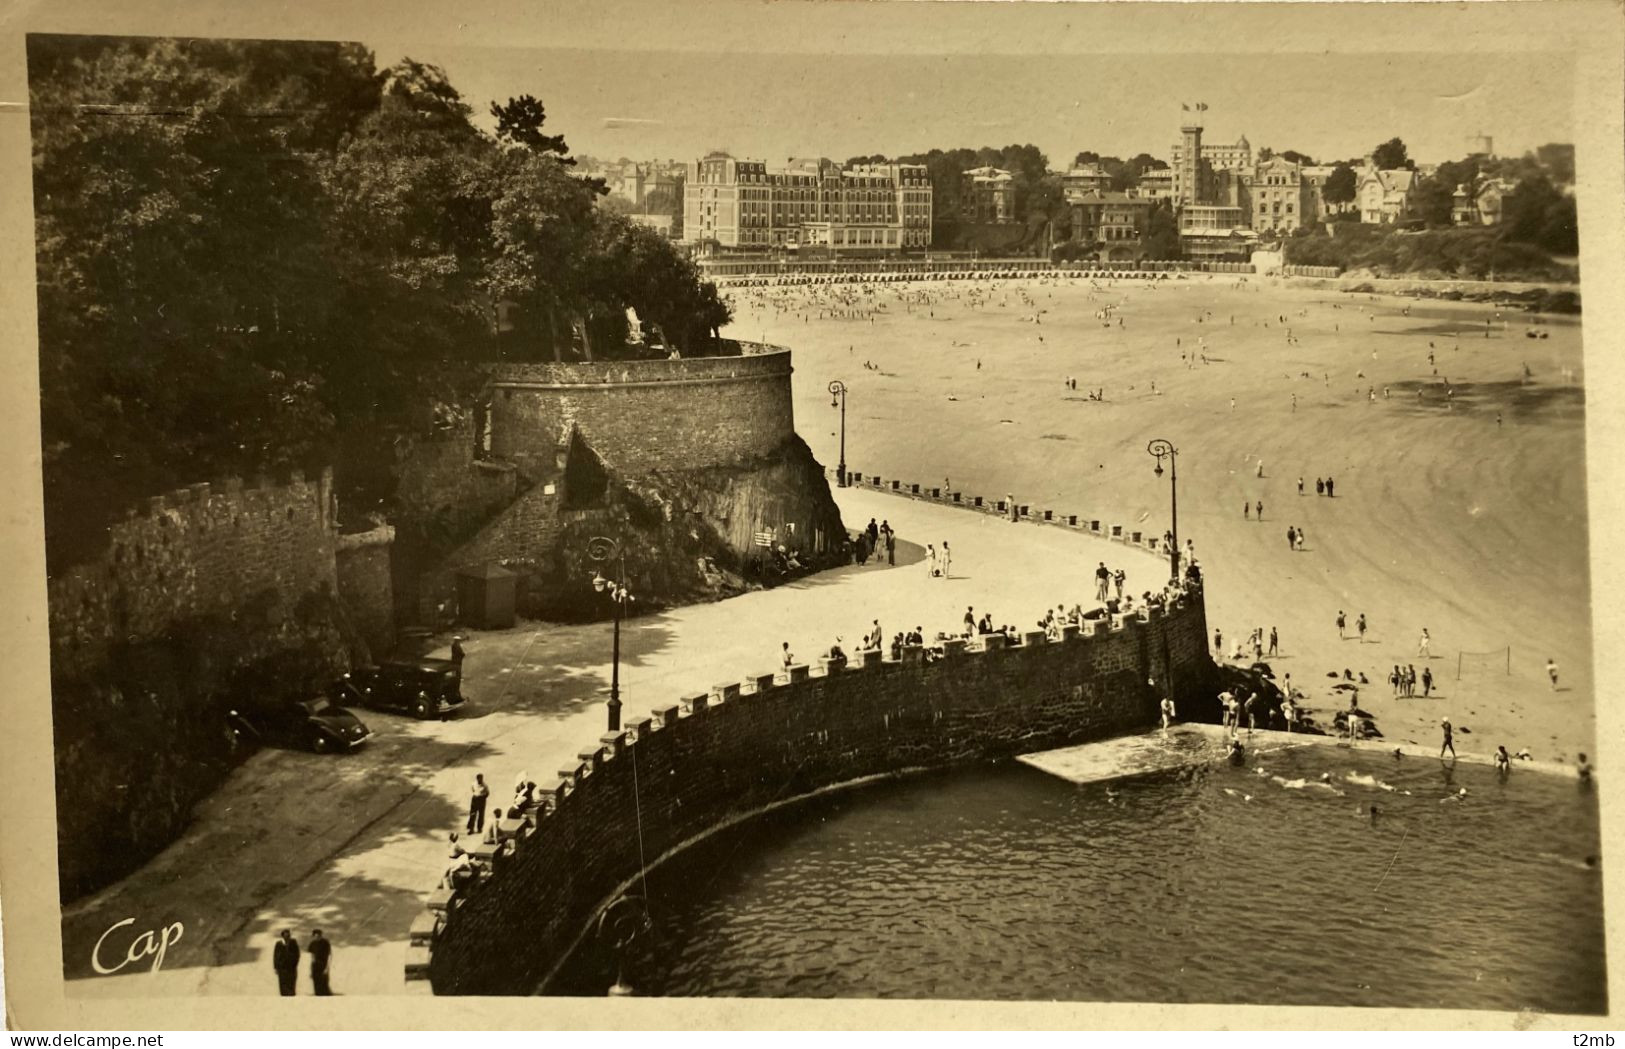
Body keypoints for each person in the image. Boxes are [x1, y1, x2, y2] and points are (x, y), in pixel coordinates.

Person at [273, 929, 300, 996]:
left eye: (288, 936)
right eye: (285, 937)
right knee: (283, 984)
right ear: (282, 937)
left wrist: (295, 964)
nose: (287, 938)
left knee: (291, 984)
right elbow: (275, 956)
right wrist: (276, 967)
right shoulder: (278, 944)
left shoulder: (293, 942)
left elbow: (297, 954)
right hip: (282, 968)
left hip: (291, 968)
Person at [307, 930, 333, 996]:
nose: (317, 937)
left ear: (321, 935)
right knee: (316, 985)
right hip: (315, 967)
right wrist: (311, 970)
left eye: (318, 936)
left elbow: (329, 955)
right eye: (315, 936)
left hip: (323, 966)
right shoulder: (312, 944)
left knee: (324, 985)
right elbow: (312, 957)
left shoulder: (325, 943)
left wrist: (327, 967)